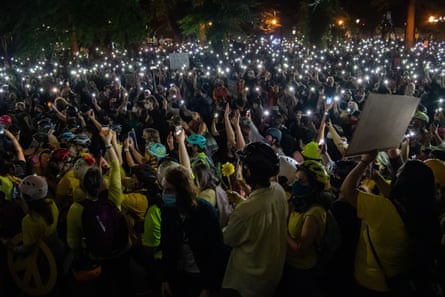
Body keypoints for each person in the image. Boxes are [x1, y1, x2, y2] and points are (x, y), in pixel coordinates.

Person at [341, 151, 441, 297]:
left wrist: (364, 163)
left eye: (399, 172)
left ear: (403, 182)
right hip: (395, 280)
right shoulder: (423, 212)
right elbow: (395, 199)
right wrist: (376, 177)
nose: (396, 173)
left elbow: (347, 191)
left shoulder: (383, 210)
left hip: (369, 280)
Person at [221, 142, 288, 297]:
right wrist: (242, 201)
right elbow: (262, 212)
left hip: (248, 282)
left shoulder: (246, 211)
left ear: (248, 172)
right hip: (271, 275)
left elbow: (228, 238)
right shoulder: (278, 190)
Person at [160, 164, 229, 297]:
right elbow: (167, 246)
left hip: (201, 276)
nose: (164, 194)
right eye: (163, 189)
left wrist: (208, 287)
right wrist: (165, 278)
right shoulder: (168, 211)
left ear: (182, 190)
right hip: (180, 275)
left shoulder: (204, 211)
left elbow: (215, 251)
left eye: (169, 190)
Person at [279, 160, 333, 297]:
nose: (295, 184)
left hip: (302, 271)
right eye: (296, 179)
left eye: (301, 181)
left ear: (314, 187)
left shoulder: (314, 212)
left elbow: (301, 250)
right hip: (289, 264)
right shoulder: (299, 202)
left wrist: (283, 232)